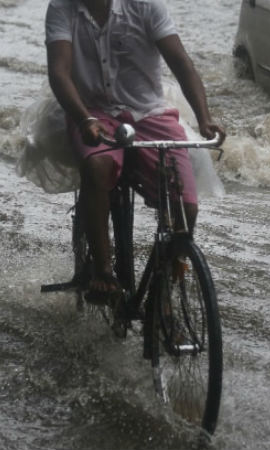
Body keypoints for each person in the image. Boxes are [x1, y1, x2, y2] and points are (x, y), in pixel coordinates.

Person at [45, 0, 225, 300]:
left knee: (186, 208)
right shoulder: (62, 8)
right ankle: (103, 270)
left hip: (149, 114)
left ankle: (165, 287)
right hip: (92, 113)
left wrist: (205, 118)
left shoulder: (146, 6)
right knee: (96, 166)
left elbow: (181, 63)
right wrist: (83, 118)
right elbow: (59, 72)